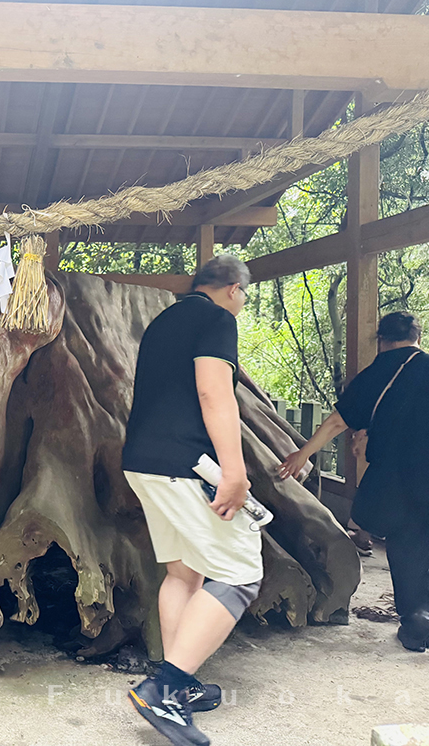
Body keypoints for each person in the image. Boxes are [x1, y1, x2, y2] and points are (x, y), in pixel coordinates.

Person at [123, 254, 262, 746]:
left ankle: (176, 679)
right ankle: (165, 688)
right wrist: (235, 470)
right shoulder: (217, 318)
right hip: (187, 465)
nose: (242, 303)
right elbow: (213, 393)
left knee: (184, 572)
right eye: (245, 294)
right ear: (232, 288)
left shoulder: (165, 320)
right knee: (241, 572)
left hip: (143, 460)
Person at [279, 311, 429, 653]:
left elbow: (337, 423)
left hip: (393, 483)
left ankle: (413, 628)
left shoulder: (371, 377)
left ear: (381, 341)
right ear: (418, 335)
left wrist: (303, 454)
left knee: (406, 551)